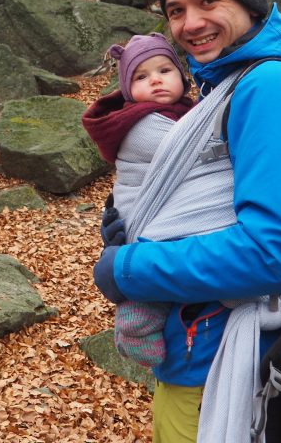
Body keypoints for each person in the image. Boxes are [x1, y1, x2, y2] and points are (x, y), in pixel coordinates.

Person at [91, 0, 281, 443]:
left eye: (207, 1)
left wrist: (126, 267)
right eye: (176, 10)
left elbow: (272, 253)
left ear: (247, 1)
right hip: (199, 344)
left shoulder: (271, 85)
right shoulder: (228, 83)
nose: (190, 23)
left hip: (220, 355)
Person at [81, 33, 194, 367]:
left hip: (161, 211)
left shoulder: (183, 112)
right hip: (139, 218)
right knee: (155, 273)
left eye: (164, 70)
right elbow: (196, 150)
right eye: (141, 77)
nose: (156, 80)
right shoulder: (142, 124)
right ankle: (136, 323)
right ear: (129, 91)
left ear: (182, 77)